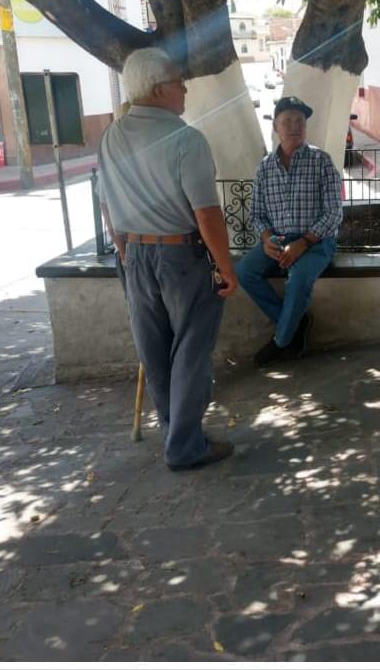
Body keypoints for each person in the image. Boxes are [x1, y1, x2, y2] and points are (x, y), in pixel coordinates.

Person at [98, 47, 238, 472]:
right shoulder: (186, 139)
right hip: (181, 256)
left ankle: (175, 432)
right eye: (179, 82)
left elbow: (106, 204)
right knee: (191, 351)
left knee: (155, 352)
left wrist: (125, 249)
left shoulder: (111, 136)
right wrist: (226, 269)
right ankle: (184, 446)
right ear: (160, 89)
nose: (184, 90)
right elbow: (207, 214)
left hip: (135, 255)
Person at [237, 95, 343, 367]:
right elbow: (257, 214)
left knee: (297, 280)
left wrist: (303, 243)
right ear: (275, 127)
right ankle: (297, 321)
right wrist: (266, 240)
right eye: (287, 121)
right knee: (244, 272)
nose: (294, 126)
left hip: (317, 242)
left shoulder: (321, 161)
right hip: (278, 241)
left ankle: (281, 341)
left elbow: (334, 212)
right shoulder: (264, 168)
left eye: (300, 121)